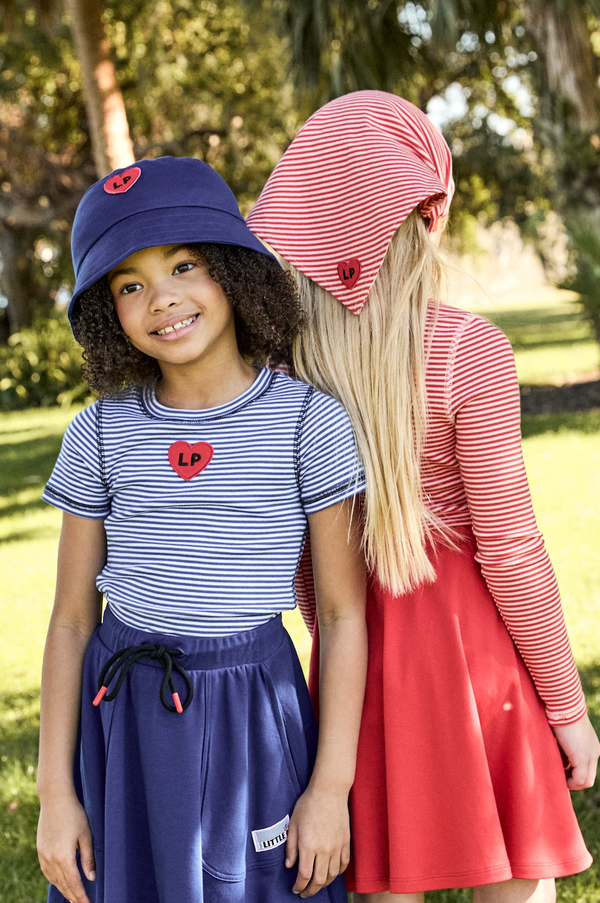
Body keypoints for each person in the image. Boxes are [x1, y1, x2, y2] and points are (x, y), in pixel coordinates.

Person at [247, 90, 600, 903]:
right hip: (480, 657)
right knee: (516, 878)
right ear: (425, 213)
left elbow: (304, 568)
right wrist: (567, 706)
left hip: (358, 660)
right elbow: (510, 550)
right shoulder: (466, 349)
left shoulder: (285, 371)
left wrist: (332, 638)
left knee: (382, 879)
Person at [35, 156, 368, 903]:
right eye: (130, 284)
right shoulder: (97, 433)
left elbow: (344, 615)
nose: (163, 298)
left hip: (255, 706)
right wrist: (56, 794)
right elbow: (68, 621)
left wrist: (330, 787)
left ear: (231, 270)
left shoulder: (307, 422)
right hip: (121, 713)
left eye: (184, 264)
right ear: (106, 311)